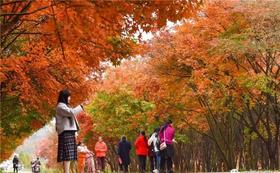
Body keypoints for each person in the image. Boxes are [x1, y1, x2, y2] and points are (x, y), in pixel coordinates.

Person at [55, 89, 87, 173]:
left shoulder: (64, 106)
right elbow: (72, 113)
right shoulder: (60, 106)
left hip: (68, 132)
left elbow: (71, 117)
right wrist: (81, 106)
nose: (70, 98)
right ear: (64, 97)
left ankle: (67, 171)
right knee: (67, 155)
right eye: (69, 96)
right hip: (66, 133)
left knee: (68, 155)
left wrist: (75, 131)